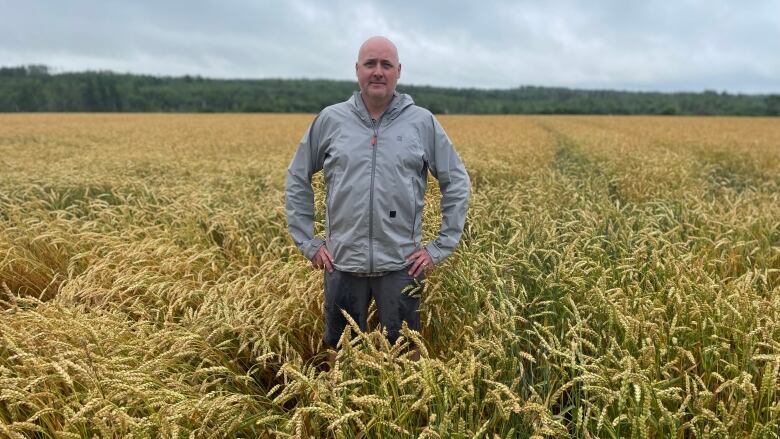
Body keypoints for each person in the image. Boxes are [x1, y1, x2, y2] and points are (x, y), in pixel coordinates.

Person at [285, 36, 470, 354]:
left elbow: (457, 181)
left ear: (399, 71)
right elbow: (296, 176)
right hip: (342, 265)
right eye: (370, 64)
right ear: (357, 70)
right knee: (343, 357)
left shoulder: (422, 122)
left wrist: (439, 248)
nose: (378, 72)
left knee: (405, 358)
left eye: (386, 65)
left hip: (402, 266)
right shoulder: (331, 120)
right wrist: (309, 242)